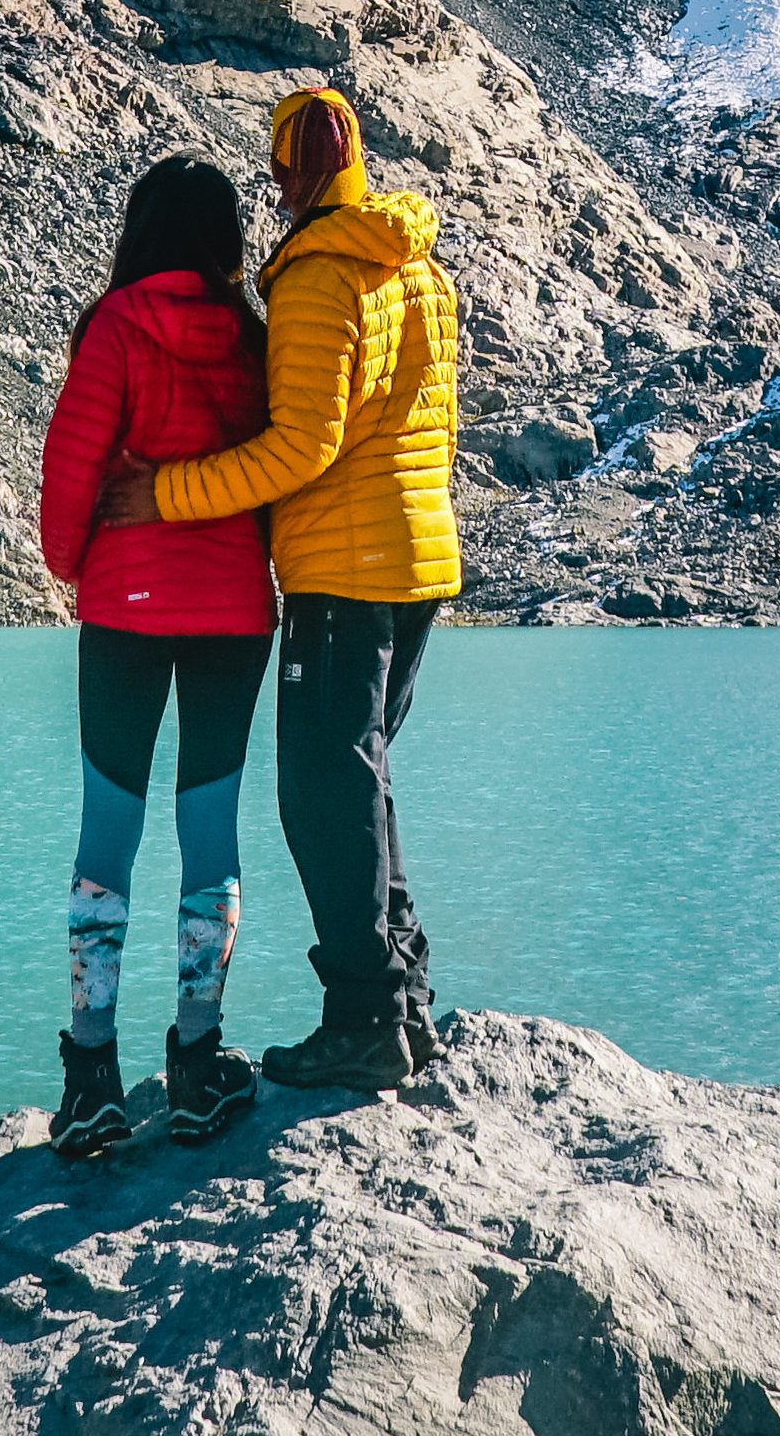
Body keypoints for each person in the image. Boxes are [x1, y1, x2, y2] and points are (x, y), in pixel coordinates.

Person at [91, 84, 462, 1093]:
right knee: (364, 777)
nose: (277, 189)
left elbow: (303, 445)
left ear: (296, 170)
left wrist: (163, 493)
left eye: (279, 169)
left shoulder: (312, 277)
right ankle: (407, 999)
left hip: (344, 573)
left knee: (318, 792)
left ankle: (364, 1019)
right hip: (420, 563)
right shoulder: (417, 265)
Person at [32, 155, 279, 1161]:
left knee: (110, 831)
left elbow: (71, 462)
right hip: (231, 610)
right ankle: (198, 1064)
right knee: (209, 831)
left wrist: (73, 561)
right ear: (224, 238)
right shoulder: (257, 337)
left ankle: (92, 1076)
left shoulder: (117, 323)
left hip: (125, 604)